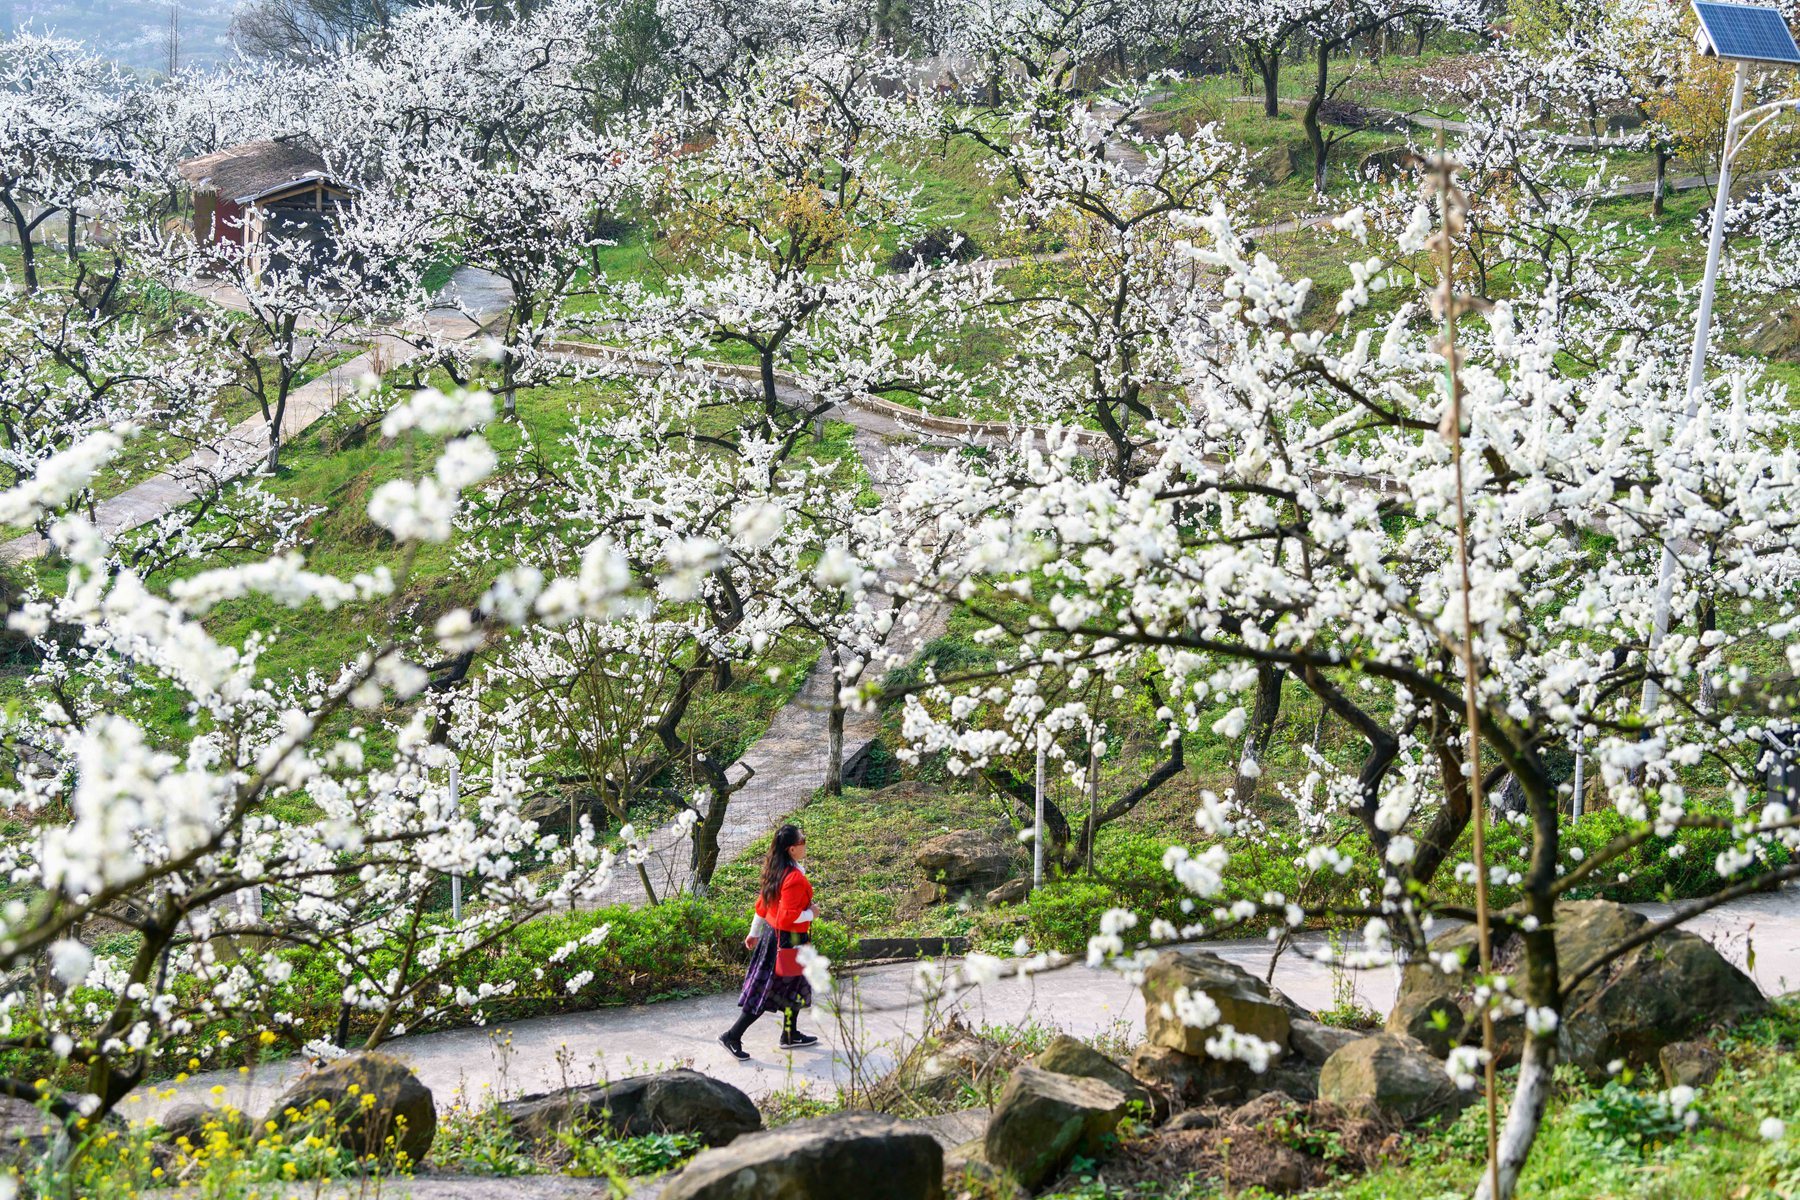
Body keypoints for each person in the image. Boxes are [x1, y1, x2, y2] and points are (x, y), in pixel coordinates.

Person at [719, 824, 818, 1059]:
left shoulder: (777, 869)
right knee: (766, 992)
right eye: (803, 840)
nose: (805, 843)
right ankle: (732, 1036)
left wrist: (754, 933)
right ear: (792, 849)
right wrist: (812, 913)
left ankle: (790, 1034)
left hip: (773, 938)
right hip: (786, 940)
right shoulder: (792, 877)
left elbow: (763, 905)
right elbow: (787, 917)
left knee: (795, 987)